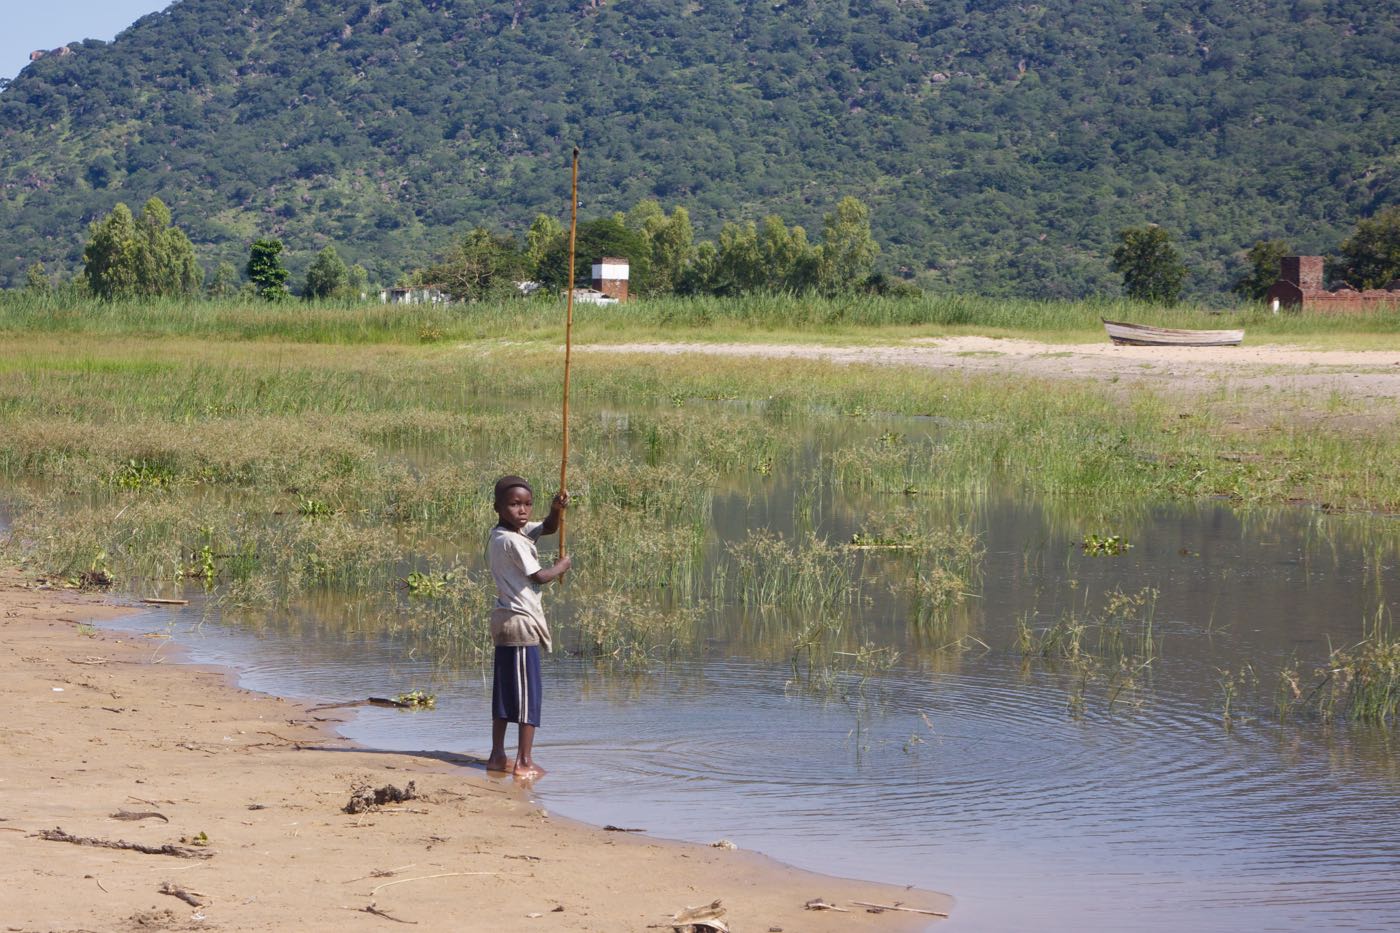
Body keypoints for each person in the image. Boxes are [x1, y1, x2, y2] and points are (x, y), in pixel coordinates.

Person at [484, 474, 570, 779]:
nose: (522, 510)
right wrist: (561, 566)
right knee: (527, 696)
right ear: (498, 507)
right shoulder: (511, 540)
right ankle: (523, 762)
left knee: (505, 693)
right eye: (514, 504)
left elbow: (548, 527)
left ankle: (497, 756)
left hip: (505, 621)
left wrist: (555, 509)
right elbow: (539, 576)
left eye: (527, 504)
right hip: (520, 622)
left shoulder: (504, 533)